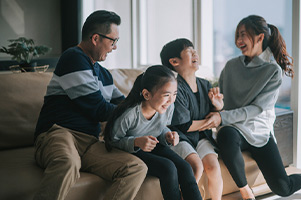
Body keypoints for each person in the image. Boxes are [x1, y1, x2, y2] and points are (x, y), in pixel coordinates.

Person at [206, 15, 301, 200]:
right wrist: (219, 106)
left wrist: (222, 117)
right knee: (226, 135)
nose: (238, 41)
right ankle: (246, 193)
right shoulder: (230, 66)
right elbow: (224, 103)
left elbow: (257, 109)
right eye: (237, 35)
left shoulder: (273, 71)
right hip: (235, 127)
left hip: (259, 130)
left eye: (243, 35)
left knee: (283, 188)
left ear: (259, 37)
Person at [33, 10, 147, 200]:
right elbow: (99, 109)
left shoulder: (104, 75)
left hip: (90, 142)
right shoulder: (73, 58)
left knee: (135, 167)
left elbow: (124, 104)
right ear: (95, 38)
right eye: (113, 41)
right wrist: (135, 112)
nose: (114, 47)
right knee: (67, 162)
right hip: (59, 133)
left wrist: (147, 104)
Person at [103, 65, 202, 200]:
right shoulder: (129, 115)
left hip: (151, 146)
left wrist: (167, 135)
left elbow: (160, 128)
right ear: (146, 94)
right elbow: (112, 141)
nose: (171, 100)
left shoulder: (167, 106)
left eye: (175, 94)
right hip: (130, 151)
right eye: (167, 95)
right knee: (168, 168)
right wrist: (136, 142)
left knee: (185, 167)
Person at [160, 38, 224, 200]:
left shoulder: (205, 85)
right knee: (196, 168)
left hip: (201, 137)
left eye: (194, 50)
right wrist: (213, 120)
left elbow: (214, 113)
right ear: (174, 61)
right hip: (179, 137)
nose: (195, 53)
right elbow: (184, 126)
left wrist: (218, 108)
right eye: (189, 51)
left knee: (213, 167)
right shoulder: (174, 87)